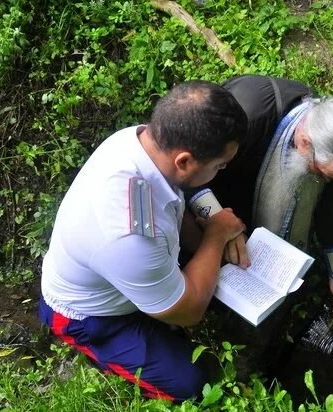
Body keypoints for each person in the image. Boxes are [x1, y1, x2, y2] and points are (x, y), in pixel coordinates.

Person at [38, 80, 248, 401]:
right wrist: (216, 235)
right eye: (219, 166)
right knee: (195, 383)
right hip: (91, 316)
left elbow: (174, 206)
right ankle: (99, 348)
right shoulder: (130, 234)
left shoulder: (140, 141)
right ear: (184, 161)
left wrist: (207, 238)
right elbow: (189, 311)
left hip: (122, 269)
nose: (220, 172)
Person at [189, 74, 333, 313]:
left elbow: (329, 205)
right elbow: (191, 170)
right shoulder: (245, 116)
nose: (324, 180)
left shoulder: (326, 132)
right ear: (305, 143)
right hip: (216, 188)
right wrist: (220, 223)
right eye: (321, 172)